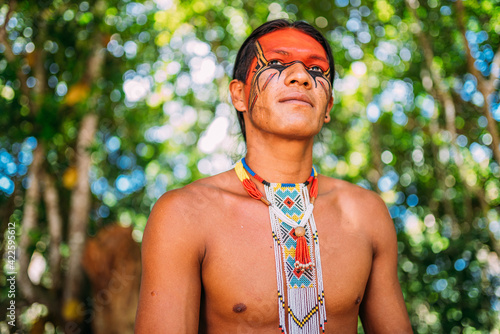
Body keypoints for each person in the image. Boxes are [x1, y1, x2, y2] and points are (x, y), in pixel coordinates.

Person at [135, 19, 412, 333]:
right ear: (239, 94)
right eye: (278, 63)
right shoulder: (183, 214)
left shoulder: (367, 214)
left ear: (328, 105)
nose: (301, 76)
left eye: (317, 70)